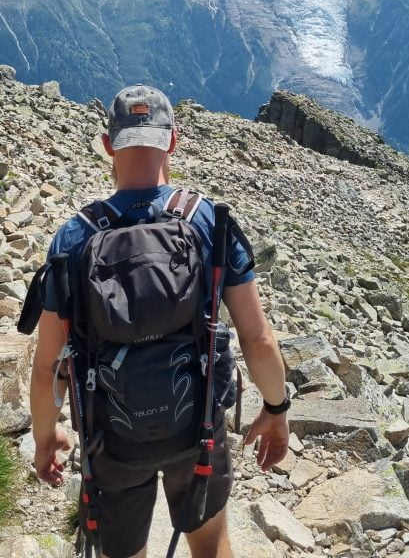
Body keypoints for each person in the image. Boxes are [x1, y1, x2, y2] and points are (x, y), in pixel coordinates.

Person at [30, 85, 290, 558]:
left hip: (112, 435)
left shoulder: (74, 237)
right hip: (197, 427)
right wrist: (276, 410)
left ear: (108, 145)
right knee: (210, 543)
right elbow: (259, 339)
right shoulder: (209, 221)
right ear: (173, 140)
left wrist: (46, 438)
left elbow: (48, 364)